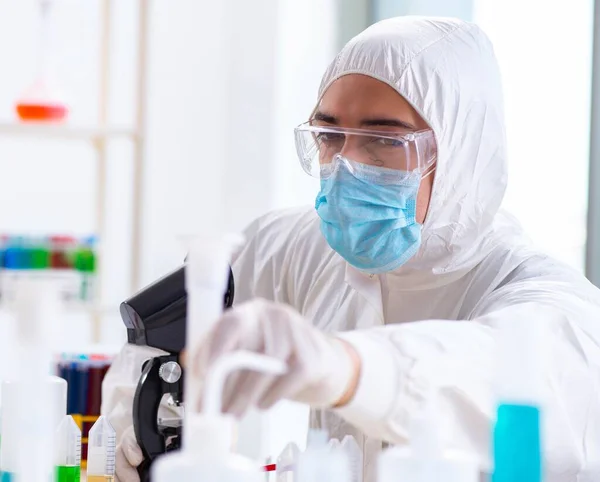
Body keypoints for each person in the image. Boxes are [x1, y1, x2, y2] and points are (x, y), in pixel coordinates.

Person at [103, 16, 600, 482]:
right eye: (329, 135)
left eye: (383, 142)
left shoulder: (544, 297)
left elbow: (510, 377)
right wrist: (141, 419)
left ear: (462, 152)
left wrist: (344, 366)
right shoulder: (303, 248)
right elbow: (164, 330)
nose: (344, 166)